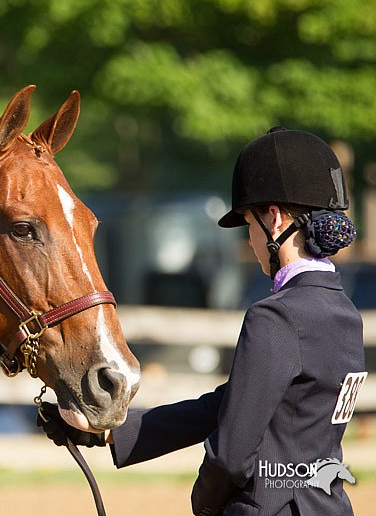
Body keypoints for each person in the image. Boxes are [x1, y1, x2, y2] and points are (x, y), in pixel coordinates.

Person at [38, 127, 366, 515]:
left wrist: (205, 505)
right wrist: (109, 433)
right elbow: (230, 406)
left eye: (249, 224)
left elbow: (230, 456)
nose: (249, 241)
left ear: (274, 220)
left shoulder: (276, 317)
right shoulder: (345, 313)